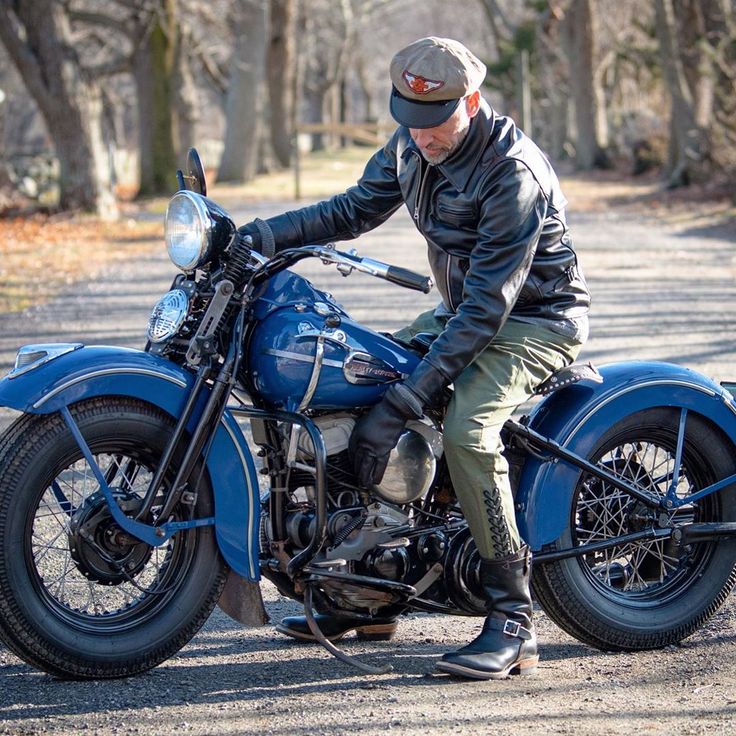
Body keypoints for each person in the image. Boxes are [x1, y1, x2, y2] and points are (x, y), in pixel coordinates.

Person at [241, 36, 590, 680]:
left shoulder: (512, 173)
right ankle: (367, 593)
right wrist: (259, 236)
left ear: (472, 100)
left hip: (533, 320)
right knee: (357, 377)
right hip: (461, 312)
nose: (422, 137)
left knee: (467, 431)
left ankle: (514, 617)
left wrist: (405, 404)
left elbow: (489, 310)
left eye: (435, 122)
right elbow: (350, 209)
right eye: (409, 119)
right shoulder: (412, 143)